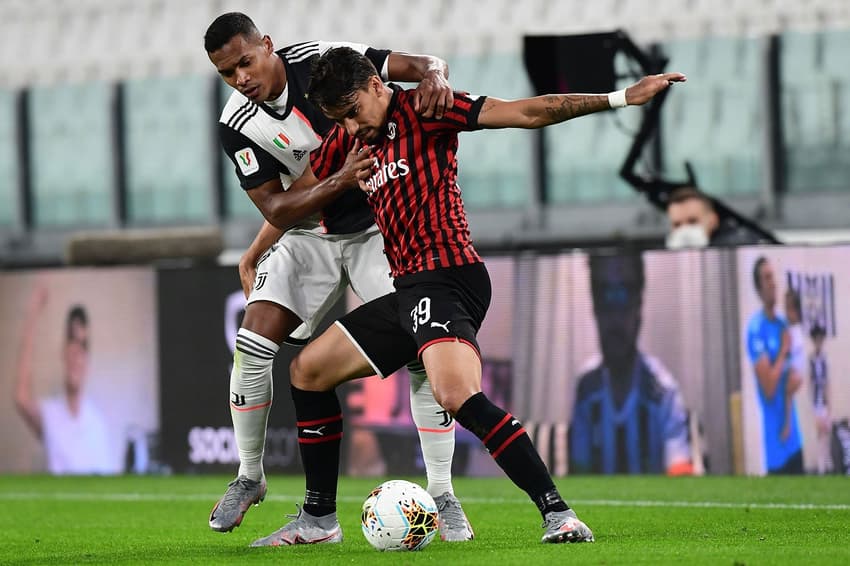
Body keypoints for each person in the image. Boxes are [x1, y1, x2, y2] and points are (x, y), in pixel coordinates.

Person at [245, 46, 685, 546]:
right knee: (308, 372)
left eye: (352, 114)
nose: (350, 129)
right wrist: (253, 252)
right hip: (409, 289)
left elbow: (527, 111)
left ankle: (558, 513)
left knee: (455, 396)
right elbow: (291, 205)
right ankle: (320, 520)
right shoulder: (350, 147)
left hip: (451, 277)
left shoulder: (428, 110)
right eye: (338, 121)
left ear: (374, 85)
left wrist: (620, 97)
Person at [202, 13, 474, 541]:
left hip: (380, 229)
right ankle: (250, 477)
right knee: (253, 337)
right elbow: (279, 209)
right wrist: (339, 181)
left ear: (267, 46)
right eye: (227, 73)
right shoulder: (235, 124)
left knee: (426, 343)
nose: (240, 79)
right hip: (308, 237)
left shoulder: (320, 59)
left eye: (245, 62)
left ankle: (442, 493)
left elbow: (418, 64)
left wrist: (436, 74)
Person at [569, 253, 694, 475]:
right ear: (594, 307)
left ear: (639, 305)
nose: (614, 317)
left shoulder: (663, 392)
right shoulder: (586, 390)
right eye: (603, 294)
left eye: (624, 294)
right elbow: (578, 475)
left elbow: (681, 473)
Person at [14, 285, 117, 475]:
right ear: (63, 351)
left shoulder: (97, 424)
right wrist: (33, 314)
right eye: (71, 341)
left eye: (83, 345)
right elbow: (21, 397)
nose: (76, 353)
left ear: (88, 361)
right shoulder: (50, 415)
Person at [745, 256, 803, 474]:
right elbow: (769, 388)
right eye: (767, 278)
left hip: (795, 439)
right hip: (776, 445)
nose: (773, 283)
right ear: (759, 288)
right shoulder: (755, 329)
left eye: (773, 277)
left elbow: (795, 375)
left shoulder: (783, 324)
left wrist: (796, 382)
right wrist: (782, 352)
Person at [665, 186, 765, 248]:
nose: (684, 230)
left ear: (713, 221)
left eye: (693, 222)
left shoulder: (741, 246)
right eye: (677, 225)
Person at [809, 324, 831, 474]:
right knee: (819, 431)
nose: (818, 342)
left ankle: (827, 462)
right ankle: (821, 464)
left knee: (826, 430)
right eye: (816, 339)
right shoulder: (810, 359)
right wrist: (812, 402)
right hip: (816, 400)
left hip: (824, 400)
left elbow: (828, 381)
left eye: (820, 339)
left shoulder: (825, 359)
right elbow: (811, 382)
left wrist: (829, 402)